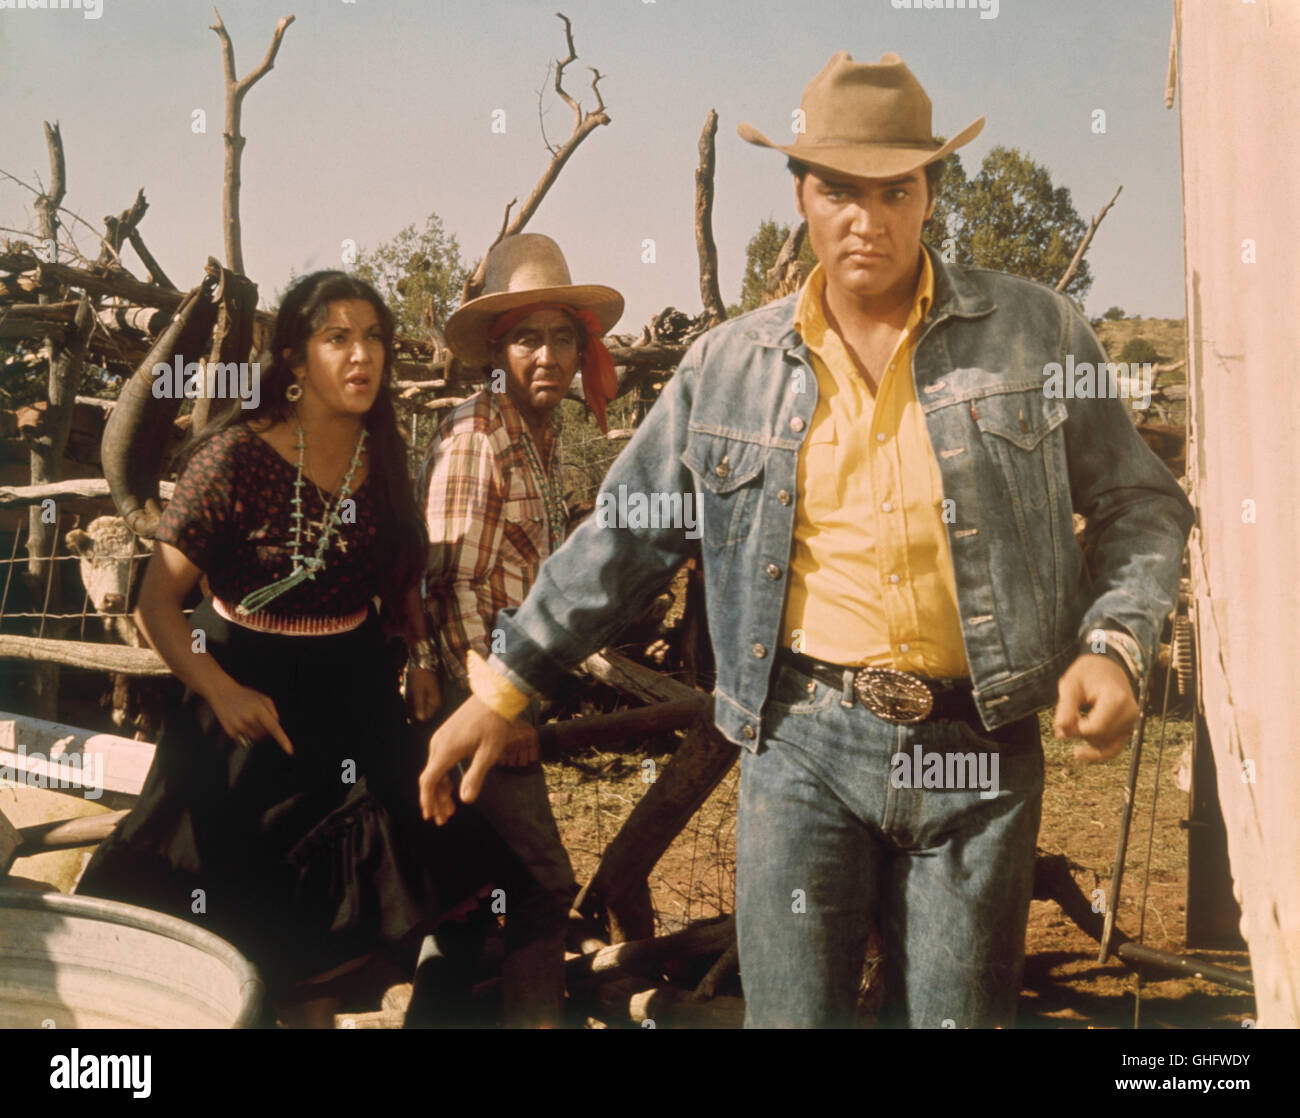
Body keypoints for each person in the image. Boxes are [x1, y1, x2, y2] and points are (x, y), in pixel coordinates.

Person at [417, 52, 1197, 1029]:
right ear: (800, 194)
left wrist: (1113, 642)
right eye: (837, 189)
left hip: (975, 754)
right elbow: (625, 535)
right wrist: (501, 687)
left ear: (928, 197)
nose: (864, 218)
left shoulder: (1032, 336)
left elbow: (1140, 500)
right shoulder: (728, 369)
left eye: (893, 190)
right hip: (802, 747)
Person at [76, 270, 532, 1027]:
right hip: (239, 702)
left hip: (350, 699)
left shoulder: (380, 454)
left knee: (457, 869)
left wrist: (418, 658)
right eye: (338, 338)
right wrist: (220, 691)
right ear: (294, 360)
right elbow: (155, 603)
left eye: (375, 338)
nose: (363, 356)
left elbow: (400, 572)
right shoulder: (230, 461)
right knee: (217, 918)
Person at [412, 233, 624, 1027]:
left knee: (468, 900)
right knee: (542, 887)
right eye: (528, 338)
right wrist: (505, 705)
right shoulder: (477, 436)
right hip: (481, 702)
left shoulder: (536, 432)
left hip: (501, 693)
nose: (548, 355)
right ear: (500, 349)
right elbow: (453, 586)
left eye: (561, 336)